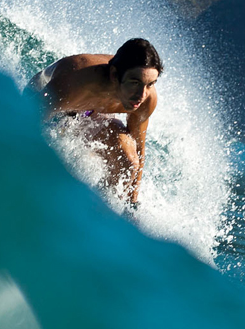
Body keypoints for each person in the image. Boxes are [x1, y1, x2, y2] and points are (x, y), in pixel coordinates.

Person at [25, 38, 163, 205]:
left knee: (128, 162)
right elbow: (25, 121)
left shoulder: (145, 99)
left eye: (150, 84)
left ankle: (99, 213)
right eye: (135, 83)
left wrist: (131, 203)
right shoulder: (75, 83)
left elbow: (139, 149)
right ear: (114, 75)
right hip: (50, 101)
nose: (142, 94)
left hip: (90, 111)